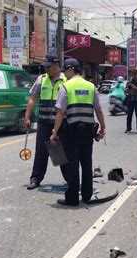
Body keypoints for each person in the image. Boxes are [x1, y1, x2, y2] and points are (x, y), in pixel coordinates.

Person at [50, 58, 106, 206]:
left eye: (65, 70)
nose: (64, 73)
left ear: (70, 69)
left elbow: (60, 112)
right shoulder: (90, 86)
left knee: (72, 165)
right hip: (88, 131)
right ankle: (87, 195)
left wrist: (54, 132)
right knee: (87, 163)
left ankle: (72, 198)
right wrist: (103, 127)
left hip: (71, 131)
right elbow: (98, 109)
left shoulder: (66, 87)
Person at [25, 55, 68, 190]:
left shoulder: (66, 80)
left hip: (60, 123)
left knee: (60, 153)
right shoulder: (41, 79)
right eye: (45, 67)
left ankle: (70, 180)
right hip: (43, 122)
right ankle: (35, 179)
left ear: (57, 65)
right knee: (41, 152)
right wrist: (27, 117)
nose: (46, 69)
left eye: (49, 66)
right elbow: (32, 98)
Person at [125, 70, 137, 134]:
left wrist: (135, 88)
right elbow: (125, 91)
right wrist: (127, 89)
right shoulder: (129, 83)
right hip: (130, 100)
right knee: (129, 115)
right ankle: (128, 129)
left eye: (135, 75)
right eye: (133, 75)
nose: (134, 76)